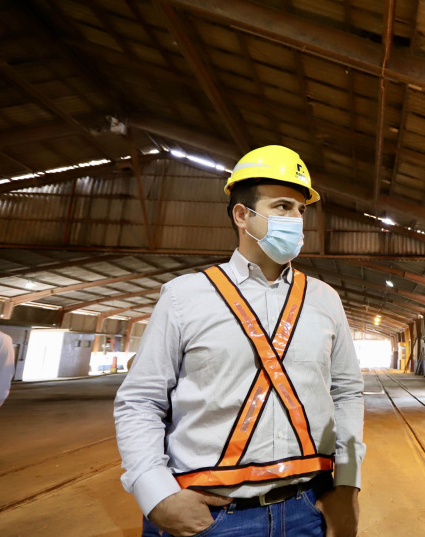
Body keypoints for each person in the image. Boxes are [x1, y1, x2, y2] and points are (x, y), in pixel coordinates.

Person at [115, 145, 365, 537]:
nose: (296, 220)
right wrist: (156, 494)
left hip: (306, 509)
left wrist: (347, 486)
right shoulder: (184, 296)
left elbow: (347, 393)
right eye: (282, 207)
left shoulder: (324, 299)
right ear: (242, 215)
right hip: (212, 516)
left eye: (301, 210)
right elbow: (140, 401)